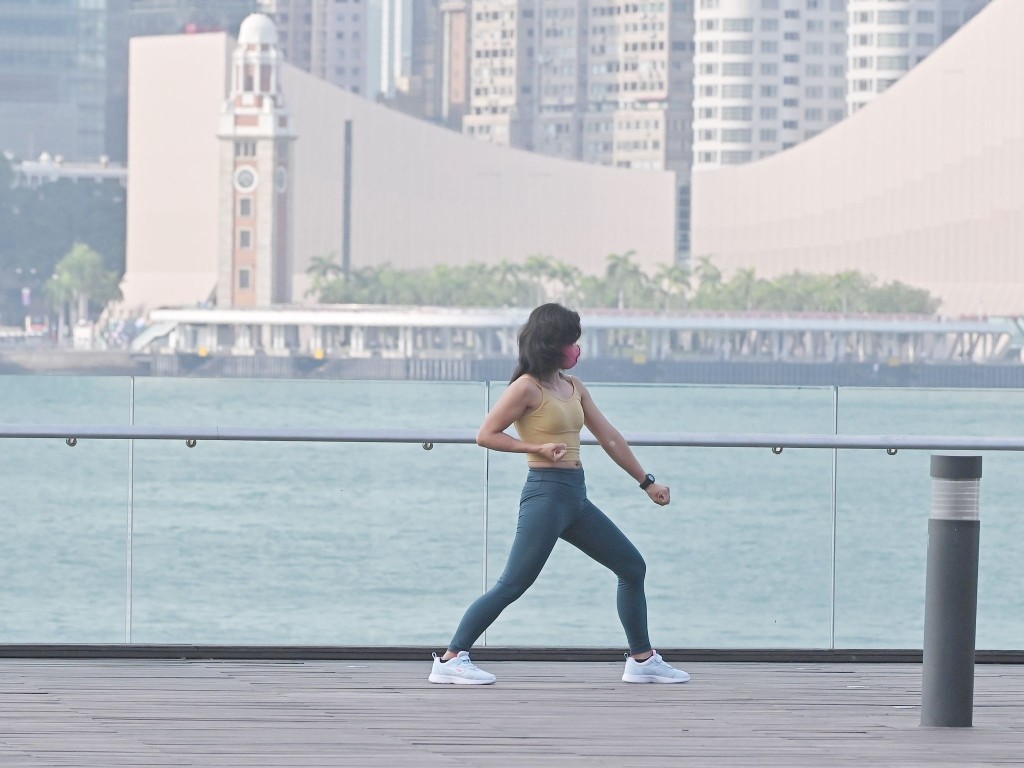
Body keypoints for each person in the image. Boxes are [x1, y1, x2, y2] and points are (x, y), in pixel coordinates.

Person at [428, 303, 689, 686]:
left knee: (631, 568)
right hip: (546, 496)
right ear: (553, 343)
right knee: (514, 583)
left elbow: (610, 438)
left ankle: (642, 659)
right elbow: (486, 434)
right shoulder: (526, 387)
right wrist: (534, 447)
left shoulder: (572, 387)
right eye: (571, 340)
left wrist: (647, 482)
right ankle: (451, 659)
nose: (576, 348)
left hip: (575, 498)